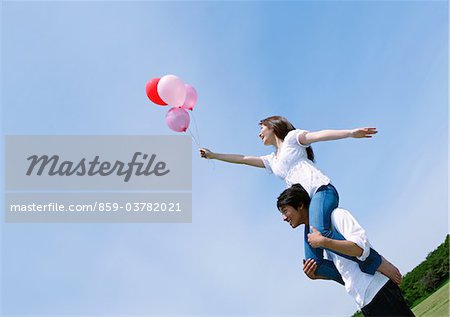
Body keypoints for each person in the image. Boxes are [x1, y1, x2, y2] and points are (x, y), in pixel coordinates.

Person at [200, 115, 399, 284]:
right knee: (315, 265)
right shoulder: (272, 160)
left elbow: (320, 135)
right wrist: (213, 155)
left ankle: (375, 262)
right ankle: (356, 280)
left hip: (321, 191)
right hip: (308, 206)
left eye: (261, 128)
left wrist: (350, 133)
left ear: (273, 126)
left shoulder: (292, 139)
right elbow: (243, 158)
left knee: (321, 235)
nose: (259, 134)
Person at [276, 184, 414, 316]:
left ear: (300, 205)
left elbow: (360, 248)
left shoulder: (337, 216)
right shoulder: (314, 239)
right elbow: (344, 272)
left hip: (380, 290)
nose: (283, 218)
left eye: (285, 211)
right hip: (364, 301)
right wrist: (317, 275)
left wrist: (325, 241)